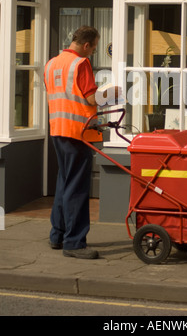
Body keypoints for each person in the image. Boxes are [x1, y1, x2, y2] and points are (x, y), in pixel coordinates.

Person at [44, 26, 120, 259]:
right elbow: (89, 97)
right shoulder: (81, 64)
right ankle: (75, 243)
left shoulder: (52, 63)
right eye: (95, 47)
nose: (94, 51)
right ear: (86, 45)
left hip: (58, 130)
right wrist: (112, 95)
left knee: (64, 184)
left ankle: (57, 235)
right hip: (79, 132)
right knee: (76, 189)